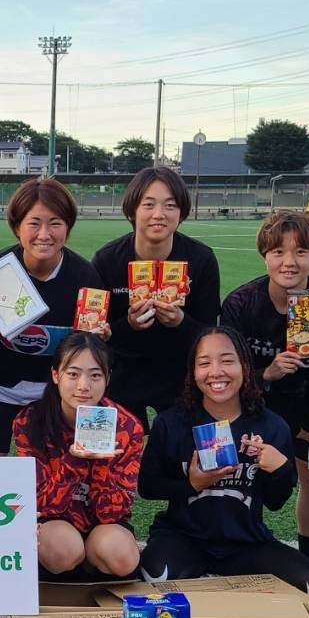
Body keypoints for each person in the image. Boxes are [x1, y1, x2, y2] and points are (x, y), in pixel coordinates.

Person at [137, 326, 309, 593]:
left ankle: (210, 580)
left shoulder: (271, 427)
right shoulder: (172, 422)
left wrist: (280, 468)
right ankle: (206, 579)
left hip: (247, 542)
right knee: (156, 576)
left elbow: (275, 502)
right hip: (183, 538)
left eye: (227, 360)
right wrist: (191, 484)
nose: (216, 372)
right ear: (193, 372)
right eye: (204, 363)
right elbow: (147, 486)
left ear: (245, 367)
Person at [219, 210, 309, 564]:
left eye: (300, 252)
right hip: (252, 399)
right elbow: (229, 371)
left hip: (307, 400)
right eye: (278, 252)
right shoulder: (239, 303)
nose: (289, 262)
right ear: (265, 255)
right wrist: (267, 373)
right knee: (241, 468)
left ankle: (308, 557)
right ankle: (241, 547)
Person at [0, 178, 105, 456]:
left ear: (67, 227)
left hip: (56, 390)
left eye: (55, 223)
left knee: (55, 481)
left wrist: (98, 340)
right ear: (17, 226)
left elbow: (89, 349)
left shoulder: (85, 277)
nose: (44, 234)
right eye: (34, 223)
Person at [92, 166, 222, 430]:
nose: (158, 215)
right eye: (148, 204)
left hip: (181, 368)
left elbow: (211, 332)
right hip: (121, 368)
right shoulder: (107, 260)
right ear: (132, 210)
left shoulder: (201, 259)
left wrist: (181, 322)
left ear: (181, 212)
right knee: (112, 453)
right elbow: (95, 334)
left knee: (186, 452)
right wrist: (128, 325)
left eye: (170, 206)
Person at [11, 333, 143, 579]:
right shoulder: (29, 422)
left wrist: (100, 461)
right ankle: (69, 564)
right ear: (55, 375)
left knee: (121, 556)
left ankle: (93, 562)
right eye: (73, 374)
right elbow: (41, 504)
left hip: (104, 525)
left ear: (107, 378)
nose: (84, 385)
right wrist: (74, 460)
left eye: (95, 375)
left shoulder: (127, 427)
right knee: (63, 551)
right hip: (56, 522)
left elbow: (114, 513)